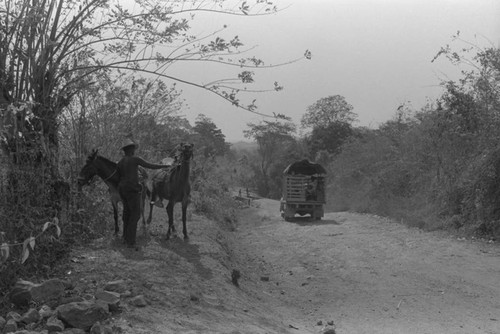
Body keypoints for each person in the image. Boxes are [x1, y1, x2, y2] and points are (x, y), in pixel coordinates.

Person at [117, 138, 170, 248]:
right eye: (134, 149)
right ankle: (130, 242)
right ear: (131, 149)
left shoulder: (121, 162)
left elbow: (119, 176)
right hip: (132, 190)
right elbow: (150, 165)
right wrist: (165, 166)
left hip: (122, 190)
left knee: (126, 213)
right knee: (135, 215)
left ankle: (125, 238)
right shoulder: (135, 159)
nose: (134, 150)